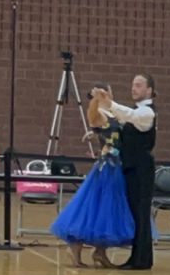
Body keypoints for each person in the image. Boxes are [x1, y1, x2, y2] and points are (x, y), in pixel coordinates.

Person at [53, 91, 137, 265]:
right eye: (106, 93)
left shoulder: (112, 114)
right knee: (95, 207)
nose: (110, 95)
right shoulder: (101, 115)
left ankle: (100, 251)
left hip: (116, 166)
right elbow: (100, 126)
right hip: (107, 168)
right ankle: (76, 247)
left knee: (107, 210)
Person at [96, 75, 159, 270]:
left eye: (138, 85)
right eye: (133, 85)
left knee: (141, 213)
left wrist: (110, 103)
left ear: (149, 90)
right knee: (135, 214)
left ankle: (141, 260)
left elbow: (129, 115)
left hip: (142, 169)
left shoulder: (147, 112)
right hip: (131, 167)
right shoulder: (136, 111)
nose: (134, 88)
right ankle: (137, 257)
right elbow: (119, 125)